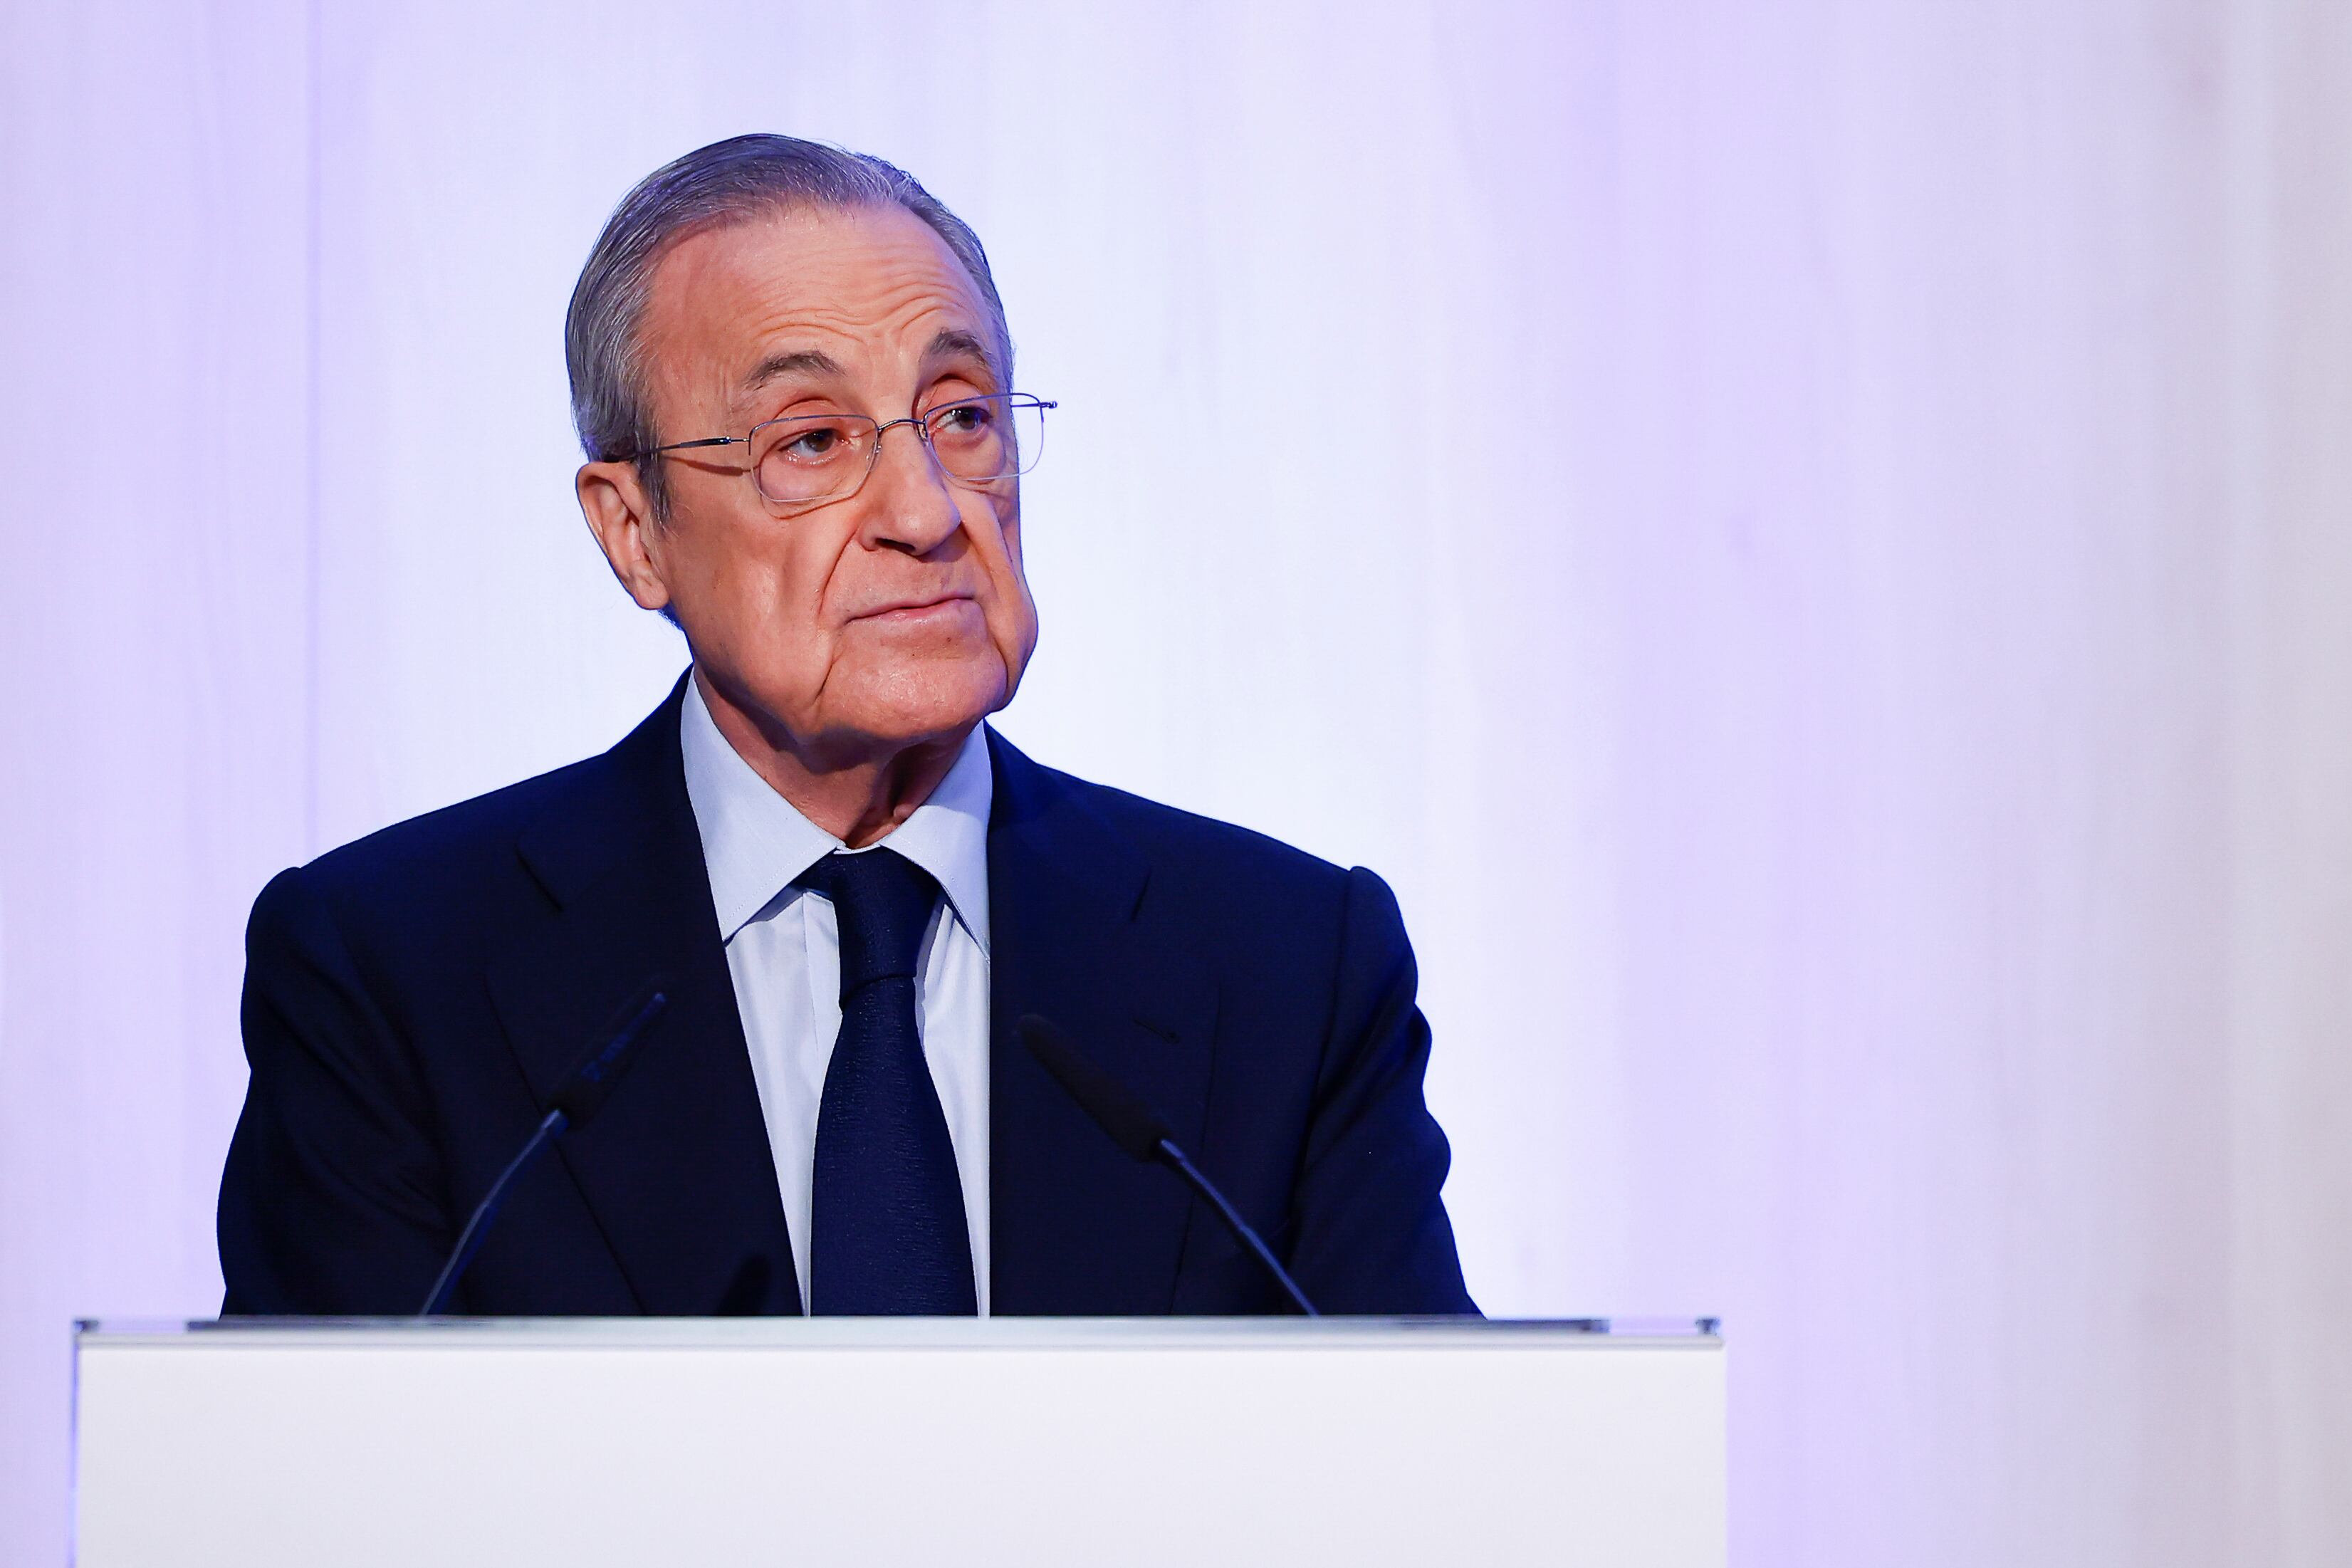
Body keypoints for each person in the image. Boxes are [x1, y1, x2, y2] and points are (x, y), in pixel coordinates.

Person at [218, 134, 1475, 1317]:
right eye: (812, 441)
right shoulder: (390, 980)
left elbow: (1439, 1488)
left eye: (963, 416)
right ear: (634, 531)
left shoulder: (1291, 972)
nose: (926, 512)